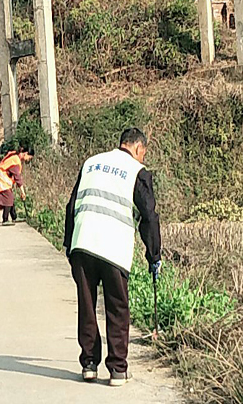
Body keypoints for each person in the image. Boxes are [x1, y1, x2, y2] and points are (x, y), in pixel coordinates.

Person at [63, 126, 161, 388]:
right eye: (144, 154)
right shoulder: (136, 172)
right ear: (139, 149)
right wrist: (154, 255)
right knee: (117, 307)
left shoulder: (91, 163)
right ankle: (117, 369)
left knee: (87, 304)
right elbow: (149, 217)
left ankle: (89, 365)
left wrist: (68, 245)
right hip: (113, 248)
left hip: (82, 243)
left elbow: (71, 205)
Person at [0, 147, 32, 224]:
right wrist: (22, 192)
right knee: (9, 198)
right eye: (29, 157)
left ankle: (14, 217)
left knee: (10, 197)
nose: (28, 159)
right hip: (0, 178)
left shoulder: (14, 156)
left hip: (2, 178)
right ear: (25, 153)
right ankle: (5, 219)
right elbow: (17, 178)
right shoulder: (15, 161)